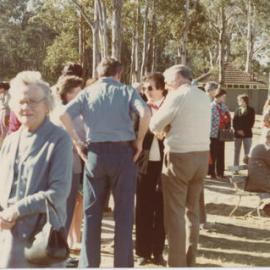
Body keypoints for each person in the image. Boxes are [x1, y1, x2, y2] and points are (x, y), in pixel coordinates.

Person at [60, 57, 151, 267]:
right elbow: (145, 112)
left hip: (95, 154)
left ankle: (89, 264)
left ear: (99, 73)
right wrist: (138, 141)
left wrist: (77, 141)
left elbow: (63, 114)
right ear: (119, 74)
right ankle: (122, 264)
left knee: (91, 213)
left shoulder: (87, 92)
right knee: (124, 212)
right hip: (122, 153)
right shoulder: (127, 91)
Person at [0, 71, 73, 267]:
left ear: (47, 104)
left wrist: (16, 210)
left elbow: (58, 193)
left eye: (33, 101)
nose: (26, 107)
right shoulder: (10, 140)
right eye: (21, 101)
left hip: (40, 245)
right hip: (8, 241)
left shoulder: (59, 140)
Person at [150, 65, 211, 267]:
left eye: (167, 82)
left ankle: (177, 264)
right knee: (192, 212)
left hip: (179, 157)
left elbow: (154, 125)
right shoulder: (203, 96)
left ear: (176, 80)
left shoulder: (177, 96)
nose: (166, 87)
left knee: (174, 213)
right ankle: (189, 260)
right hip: (202, 157)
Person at [135, 73, 166, 266]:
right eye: (144, 88)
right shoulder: (141, 108)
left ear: (162, 88)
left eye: (150, 88)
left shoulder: (171, 106)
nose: (146, 92)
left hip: (164, 164)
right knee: (143, 208)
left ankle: (158, 251)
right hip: (144, 164)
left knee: (161, 209)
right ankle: (142, 252)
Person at [50, 75, 84, 250]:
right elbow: (83, 137)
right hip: (70, 166)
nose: (81, 94)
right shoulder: (69, 114)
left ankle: (59, 247)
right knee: (66, 208)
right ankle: (60, 249)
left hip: (57, 165)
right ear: (68, 93)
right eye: (78, 91)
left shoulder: (55, 111)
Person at [208, 89, 231, 179]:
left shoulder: (224, 106)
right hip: (213, 133)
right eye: (223, 96)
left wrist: (227, 124)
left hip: (222, 132)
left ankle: (220, 172)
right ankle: (211, 172)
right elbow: (209, 121)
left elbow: (228, 116)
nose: (224, 98)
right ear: (218, 96)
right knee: (213, 153)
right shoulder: (211, 106)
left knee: (221, 153)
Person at [233, 94, 255, 168]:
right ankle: (235, 169)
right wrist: (238, 130)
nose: (238, 102)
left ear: (245, 101)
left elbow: (251, 123)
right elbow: (234, 122)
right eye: (238, 100)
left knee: (247, 153)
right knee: (236, 153)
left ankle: (249, 170)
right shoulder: (237, 110)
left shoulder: (251, 110)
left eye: (240, 100)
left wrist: (243, 131)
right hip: (237, 134)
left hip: (247, 134)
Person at [0, 81, 10, 147]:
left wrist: (1, 98)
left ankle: (7, 142)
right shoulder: (1, 94)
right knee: (2, 128)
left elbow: (6, 104)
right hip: (1, 111)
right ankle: (4, 143)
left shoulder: (8, 94)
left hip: (6, 111)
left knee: (6, 127)